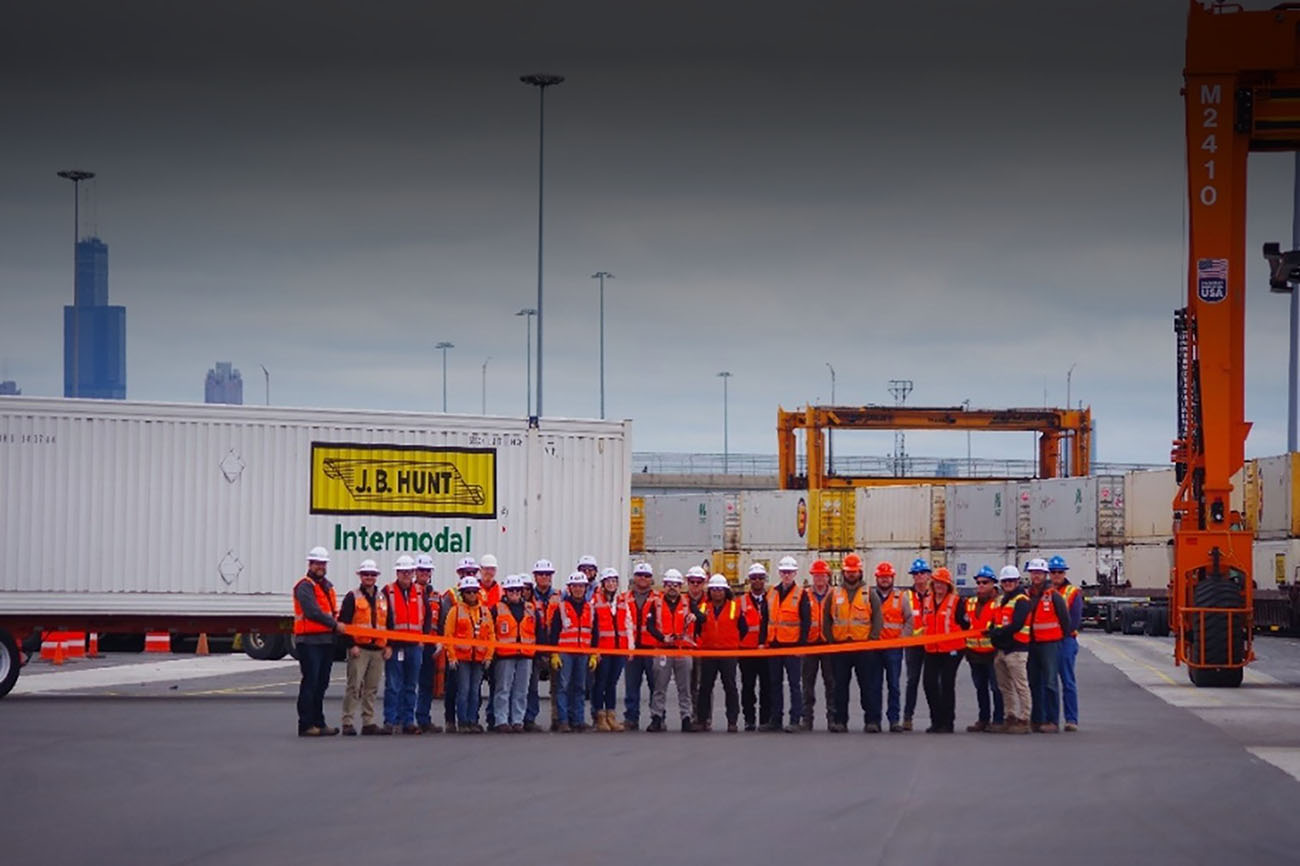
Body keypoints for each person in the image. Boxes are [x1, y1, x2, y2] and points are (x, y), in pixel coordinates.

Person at [294, 546, 345, 737]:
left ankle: (319, 722)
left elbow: (332, 611)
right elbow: (312, 612)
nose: (320, 567)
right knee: (311, 682)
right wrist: (335, 625)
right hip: (309, 641)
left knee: (322, 683)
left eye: (323, 563)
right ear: (310, 564)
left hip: (326, 641)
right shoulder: (304, 586)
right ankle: (306, 724)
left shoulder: (327, 586)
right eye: (317, 563)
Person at [337, 559, 390, 736]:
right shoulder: (352, 597)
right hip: (359, 649)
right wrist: (351, 645)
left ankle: (368, 722)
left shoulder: (382, 597)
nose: (369, 577)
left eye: (372, 574)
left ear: (376, 576)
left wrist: (388, 645)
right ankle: (347, 722)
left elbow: (388, 623)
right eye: (366, 574)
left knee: (371, 688)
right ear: (360, 576)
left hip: (378, 650)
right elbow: (344, 623)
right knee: (354, 686)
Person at [825, 553, 874, 733]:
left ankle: (871, 721)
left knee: (867, 686)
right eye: (848, 571)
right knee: (840, 687)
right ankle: (840, 721)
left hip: (863, 648)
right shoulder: (835, 593)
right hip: (841, 648)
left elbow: (877, 618)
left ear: (860, 572)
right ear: (843, 573)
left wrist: (872, 639)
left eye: (854, 571)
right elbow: (827, 618)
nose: (851, 574)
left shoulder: (869, 593)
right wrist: (831, 640)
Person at [382, 555, 428, 735]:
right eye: (403, 572)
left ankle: (408, 721)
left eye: (408, 572)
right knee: (393, 686)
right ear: (397, 573)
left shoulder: (420, 592)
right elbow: (383, 618)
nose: (406, 575)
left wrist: (424, 638)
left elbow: (426, 616)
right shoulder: (388, 591)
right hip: (395, 646)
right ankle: (390, 720)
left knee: (410, 685)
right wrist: (386, 644)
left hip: (415, 645)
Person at [1025, 557, 1070, 733]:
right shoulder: (1027, 595)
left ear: (1045, 575)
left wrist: (1059, 639)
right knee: (1034, 682)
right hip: (1032, 644)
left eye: (1039, 573)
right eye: (1033, 572)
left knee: (1050, 682)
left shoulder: (1054, 596)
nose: (1036, 576)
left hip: (1050, 644)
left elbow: (1065, 620)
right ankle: (1037, 719)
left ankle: (1052, 720)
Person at [867, 560, 913, 733]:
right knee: (874, 685)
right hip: (875, 647)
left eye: (887, 577)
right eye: (882, 577)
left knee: (894, 685)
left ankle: (894, 720)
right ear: (876, 578)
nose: (885, 579)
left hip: (894, 648)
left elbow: (909, 619)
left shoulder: (901, 597)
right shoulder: (869, 596)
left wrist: (902, 639)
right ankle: (874, 720)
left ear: (893, 578)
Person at [444, 574, 494, 733]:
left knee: (474, 691)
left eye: (474, 591)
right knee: (463, 690)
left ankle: (473, 721)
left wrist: (488, 656)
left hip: (479, 659)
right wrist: (452, 657)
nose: (471, 595)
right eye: (468, 592)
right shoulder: (455, 611)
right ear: (462, 594)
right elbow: (448, 635)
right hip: (462, 659)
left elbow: (491, 635)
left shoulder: (485, 612)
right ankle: (463, 721)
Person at [766, 556, 810, 732]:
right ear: (779, 572)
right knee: (774, 684)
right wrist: (763, 642)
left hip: (792, 645)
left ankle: (795, 719)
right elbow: (765, 619)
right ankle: (775, 720)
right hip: (774, 644)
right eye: (784, 572)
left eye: (789, 572)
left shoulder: (801, 594)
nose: (786, 575)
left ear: (795, 573)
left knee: (794, 684)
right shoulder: (772, 593)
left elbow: (806, 621)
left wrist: (801, 645)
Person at [696, 574, 744, 733]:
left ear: (725, 591)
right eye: (714, 589)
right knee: (705, 688)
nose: (717, 592)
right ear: (710, 591)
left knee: (730, 687)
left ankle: (732, 721)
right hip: (708, 652)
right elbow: (697, 629)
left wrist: (733, 643)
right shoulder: (703, 607)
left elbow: (743, 628)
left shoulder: (734, 607)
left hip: (728, 653)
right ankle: (702, 720)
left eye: (720, 589)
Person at [647, 568, 694, 732]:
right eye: (669, 584)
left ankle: (686, 718)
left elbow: (702, 617)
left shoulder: (688, 602)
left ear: (680, 586)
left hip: (682, 650)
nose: (672, 587)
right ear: (664, 586)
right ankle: (657, 717)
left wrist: (695, 616)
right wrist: (662, 638)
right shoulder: (656, 603)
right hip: (663, 650)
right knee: (659, 687)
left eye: (675, 584)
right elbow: (649, 626)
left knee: (685, 688)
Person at [548, 571, 595, 732]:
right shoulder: (561, 608)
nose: (578, 589)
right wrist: (554, 653)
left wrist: (594, 654)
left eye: (581, 586)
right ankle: (563, 721)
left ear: (585, 588)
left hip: (583, 653)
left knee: (580, 687)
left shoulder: (590, 608)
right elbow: (554, 632)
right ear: (569, 588)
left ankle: (578, 720)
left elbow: (594, 632)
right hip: (565, 653)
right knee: (563, 687)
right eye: (575, 586)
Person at [987, 565, 1031, 734]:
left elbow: (1017, 624)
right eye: (1005, 581)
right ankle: (1010, 717)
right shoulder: (1001, 600)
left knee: (1021, 686)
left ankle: (1024, 719)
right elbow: (995, 621)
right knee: (1005, 687)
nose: (1008, 584)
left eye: (1011, 581)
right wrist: (992, 631)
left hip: (1017, 649)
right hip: (1002, 649)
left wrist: (997, 633)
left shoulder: (1022, 600)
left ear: (1017, 581)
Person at [921, 567, 964, 733]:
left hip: (952, 650)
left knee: (947, 683)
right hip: (932, 649)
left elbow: (965, 624)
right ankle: (936, 720)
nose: (939, 586)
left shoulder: (957, 602)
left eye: (943, 583)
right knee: (929, 683)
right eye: (937, 582)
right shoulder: (927, 601)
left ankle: (947, 722)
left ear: (948, 585)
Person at [962, 565, 1004, 733]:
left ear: (993, 584)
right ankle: (983, 719)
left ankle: (998, 719)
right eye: (978, 582)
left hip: (993, 652)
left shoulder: (1000, 603)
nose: (981, 585)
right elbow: (965, 624)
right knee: (980, 688)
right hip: (974, 653)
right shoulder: (970, 602)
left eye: (985, 582)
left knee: (996, 688)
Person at [591, 567, 633, 731]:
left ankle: (611, 715)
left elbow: (628, 624)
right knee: (600, 682)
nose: (611, 584)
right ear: (603, 584)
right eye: (608, 581)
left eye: (614, 581)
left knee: (612, 683)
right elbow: (592, 627)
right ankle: (599, 716)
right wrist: (595, 650)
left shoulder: (622, 601)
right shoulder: (595, 601)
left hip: (619, 649)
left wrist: (630, 648)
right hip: (603, 650)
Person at [491, 574, 535, 732]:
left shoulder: (530, 608)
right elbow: (490, 631)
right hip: (505, 655)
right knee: (503, 689)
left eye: (517, 590)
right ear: (506, 591)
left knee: (521, 690)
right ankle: (501, 720)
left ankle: (518, 721)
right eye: (511, 590)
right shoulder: (496, 608)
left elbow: (538, 630)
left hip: (526, 654)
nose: (514, 593)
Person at [441, 557, 480, 729]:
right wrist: (450, 653)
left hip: (477, 654)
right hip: (457, 653)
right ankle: (452, 720)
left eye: (472, 572)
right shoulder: (450, 595)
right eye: (466, 572)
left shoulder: (481, 596)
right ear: (459, 573)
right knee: (454, 688)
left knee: (474, 690)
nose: (469, 574)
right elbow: (446, 625)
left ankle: (472, 720)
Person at [622, 562, 659, 731]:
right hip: (632, 648)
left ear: (651, 579)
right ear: (634, 577)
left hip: (652, 648)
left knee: (655, 686)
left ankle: (657, 718)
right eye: (639, 575)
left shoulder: (658, 598)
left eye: (646, 576)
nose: (643, 578)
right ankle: (631, 718)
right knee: (631, 686)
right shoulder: (624, 598)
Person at [526, 559, 561, 731]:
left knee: (558, 686)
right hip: (535, 647)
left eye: (547, 574)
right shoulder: (529, 597)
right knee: (531, 686)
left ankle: (558, 719)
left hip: (555, 647)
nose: (544, 577)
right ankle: (529, 719)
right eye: (541, 574)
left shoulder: (559, 596)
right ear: (535, 577)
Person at [800, 559, 836, 731]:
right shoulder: (804, 595)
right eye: (816, 575)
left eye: (822, 575)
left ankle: (832, 719)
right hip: (810, 644)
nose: (819, 578)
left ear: (828, 577)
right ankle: (806, 719)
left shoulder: (835, 594)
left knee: (831, 683)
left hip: (829, 644)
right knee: (807, 684)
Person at [1049, 555, 1082, 732]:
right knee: (1049, 682)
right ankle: (1051, 719)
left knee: (1067, 681)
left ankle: (1071, 719)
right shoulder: (1045, 592)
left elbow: (1074, 620)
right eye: (1053, 572)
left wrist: (1059, 633)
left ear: (1064, 573)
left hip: (1066, 640)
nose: (1056, 575)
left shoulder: (1072, 592)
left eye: (1059, 572)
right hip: (1048, 641)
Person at [738, 563, 771, 731]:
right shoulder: (741, 602)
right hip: (747, 651)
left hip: (767, 650)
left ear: (765, 580)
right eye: (754, 578)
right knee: (748, 687)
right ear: (749, 580)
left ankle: (765, 720)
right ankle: (749, 719)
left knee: (767, 687)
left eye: (760, 578)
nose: (757, 581)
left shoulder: (772, 599)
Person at [413, 554, 443, 734]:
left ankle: (423, 719)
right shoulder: (409, 592)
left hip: (430, 645)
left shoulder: (436, 596)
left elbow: (440, 621)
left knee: (426, 684)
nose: (424, 573)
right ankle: (404, 720)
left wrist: (440, 641)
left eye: (427, 570)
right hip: (412, 644)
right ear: (415, 572)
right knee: (407, 684)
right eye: (421, 570)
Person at [902, 558, 932, 731]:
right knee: (912, 681)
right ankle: (908, 718)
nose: (919, 576)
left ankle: (936, 718)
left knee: (931, 682)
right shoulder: (906, 596)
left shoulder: (935, 595)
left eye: (922, 573)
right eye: (916, 574)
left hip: (930, 645)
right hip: (913, 645)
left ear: (928, 575)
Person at [684, 565, 709, 722]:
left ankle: (704, 718)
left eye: (698, 582)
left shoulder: (709, 601)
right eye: (692, 581)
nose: (695, 585)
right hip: (687, 647)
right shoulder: (682, 601)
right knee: (688, 685)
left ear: (703, 583)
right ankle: (691, 716)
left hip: (704, 647)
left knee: (703, 685)